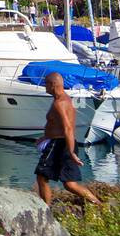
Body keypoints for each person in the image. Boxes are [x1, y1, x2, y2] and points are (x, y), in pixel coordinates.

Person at [35, 71, 101, 206]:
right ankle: (98, 204)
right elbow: (58, 125)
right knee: (69, 184)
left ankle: (46, 209)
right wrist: (45, 136)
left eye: (46, 83)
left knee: (42, 175)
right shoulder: (64, 99)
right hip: (62, 142)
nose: (44, 86)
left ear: (53, 84)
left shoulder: (60, 103)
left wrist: (71, 152)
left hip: (60, 144)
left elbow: (68, 128)